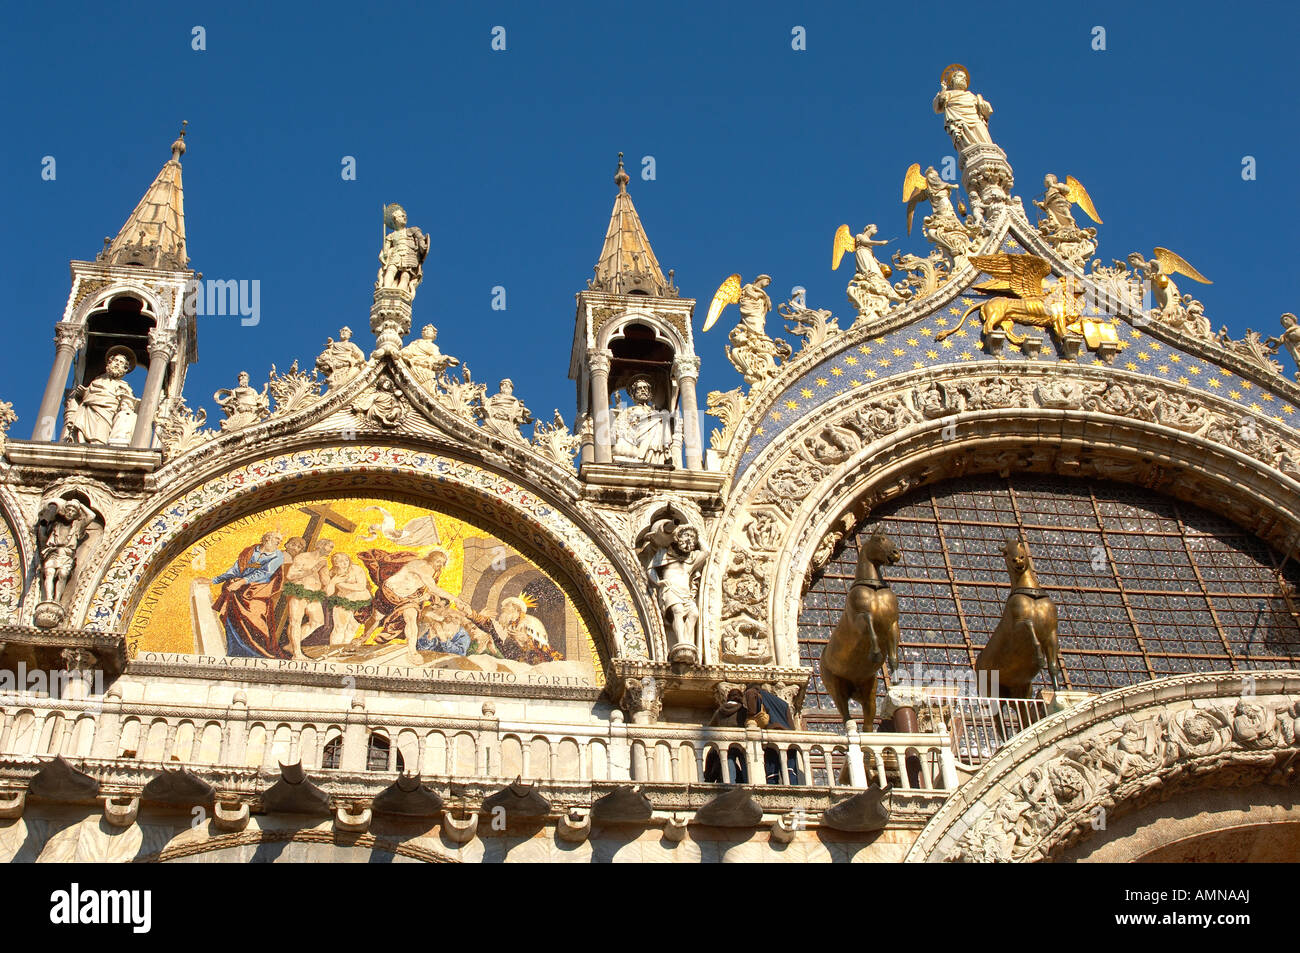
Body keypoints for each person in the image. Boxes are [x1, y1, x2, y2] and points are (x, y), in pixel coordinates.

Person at [351, 549, 455, 662]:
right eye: (437, 561)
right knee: (376, 618)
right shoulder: (420, 565)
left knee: (411, 618)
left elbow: (428, 589)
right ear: (430, 559)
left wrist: (425, 597)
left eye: (442, 562)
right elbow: (434, 588)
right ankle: (364, 637)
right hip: (390, 593)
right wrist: (456, 600)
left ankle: (412, 652)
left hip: (408, 597)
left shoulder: (435, 572)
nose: (439, 564)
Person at [211, 531, 287, 658]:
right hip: (239, 589)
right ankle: (236, 653)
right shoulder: (250, 551)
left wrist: (242, 581)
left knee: (257, 619)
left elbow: (265, 573)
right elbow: (235, 569)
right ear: (267, 539)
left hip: (257, 592)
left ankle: (260, 654)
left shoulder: (277, 555)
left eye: (280, 541)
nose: (279, 543)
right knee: (233, 617)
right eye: (276, 540)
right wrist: (215, 580)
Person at [64, 347, 137, 445]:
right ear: (109, 363)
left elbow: (128, 404)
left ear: (124, 369)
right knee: (81, 431)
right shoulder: (97, 381)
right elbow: (89, 395)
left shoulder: (124, 386)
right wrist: (84, 393)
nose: (117, 364)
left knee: (99, 437)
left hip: (107, 413)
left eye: (121, 363)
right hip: (88, 411)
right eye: (115, 360)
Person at [612, 376, 672, 464]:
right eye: (639, 388)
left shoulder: (656, 412)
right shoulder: (629, 410)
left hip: (655, 440)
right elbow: (621, 427)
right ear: (634, 394)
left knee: (663, 417)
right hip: (636, 438)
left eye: (646, 388)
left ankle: (663, 454)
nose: (643, 390)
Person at [932, 64, 993, 150]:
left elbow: (985, 111)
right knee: (968, 146)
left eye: (965, 78)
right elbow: (937, 107)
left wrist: (983, 105)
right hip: (959, 121)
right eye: (960, 76)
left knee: (984, 139)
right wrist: (943, 92)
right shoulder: (947, 94)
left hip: (975, 120)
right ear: (952, 80)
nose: (964, 79)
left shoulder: (971, 95)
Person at [320, 552, 373, 646]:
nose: (345, 563)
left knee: (352, 628)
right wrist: (333, 582)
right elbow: (328, 593)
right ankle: (334, 650)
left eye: (346, 560)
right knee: (339, 628)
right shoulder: (332, 573)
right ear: (335, 563)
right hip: (344, 602)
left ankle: (344, 648)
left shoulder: (356, 569)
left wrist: (340, 584)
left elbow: (361, 586)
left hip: (362, 602)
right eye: (341, 561)